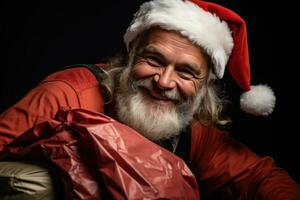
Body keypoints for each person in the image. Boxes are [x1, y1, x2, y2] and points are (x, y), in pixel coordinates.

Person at [0, 0, 299, 199]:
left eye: (185, 72)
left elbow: (261, 177)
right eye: (154, 60)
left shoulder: (192, 130)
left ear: (204, 86)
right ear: (130, 57)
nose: (164, 82)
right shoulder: (67, 93)